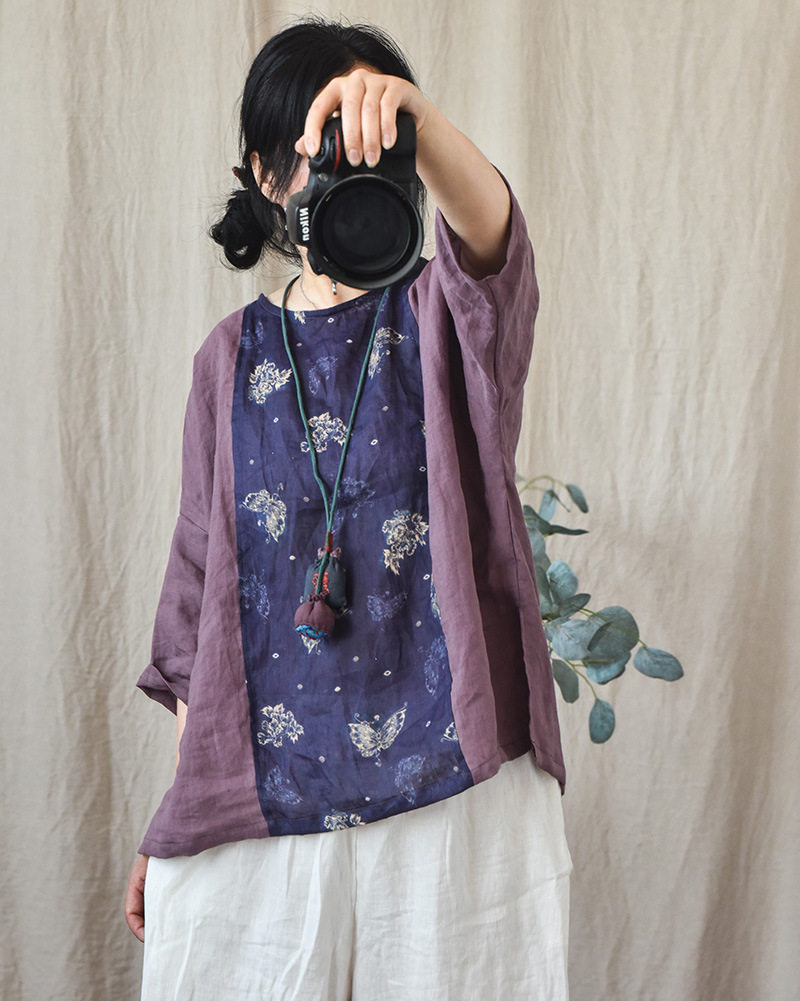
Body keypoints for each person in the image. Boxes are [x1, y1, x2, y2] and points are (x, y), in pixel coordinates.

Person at [124, 16, 572, 1001]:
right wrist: (182, 811)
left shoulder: (445, 316)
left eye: (372, 141)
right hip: (261, 789)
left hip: (453, 778)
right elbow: (196, 604)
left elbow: (494, 246)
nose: (348, 165)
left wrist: (418, 117)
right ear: (262, 171)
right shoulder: (226, 358)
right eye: (319, 145)